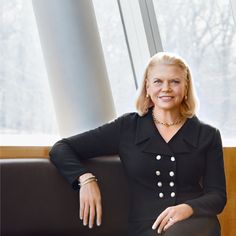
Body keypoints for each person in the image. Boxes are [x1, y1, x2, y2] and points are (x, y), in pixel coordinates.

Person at [49, 52, 226, 236]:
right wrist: (86, 180)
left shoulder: (208, 135)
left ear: (186, 86)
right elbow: (61, 148)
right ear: (147, 87)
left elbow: (217, 196)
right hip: (145, 227)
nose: (166, 88)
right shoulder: (127, 127)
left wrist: (187, 208)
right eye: (158, 81)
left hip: (195, 222)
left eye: (175, 81)